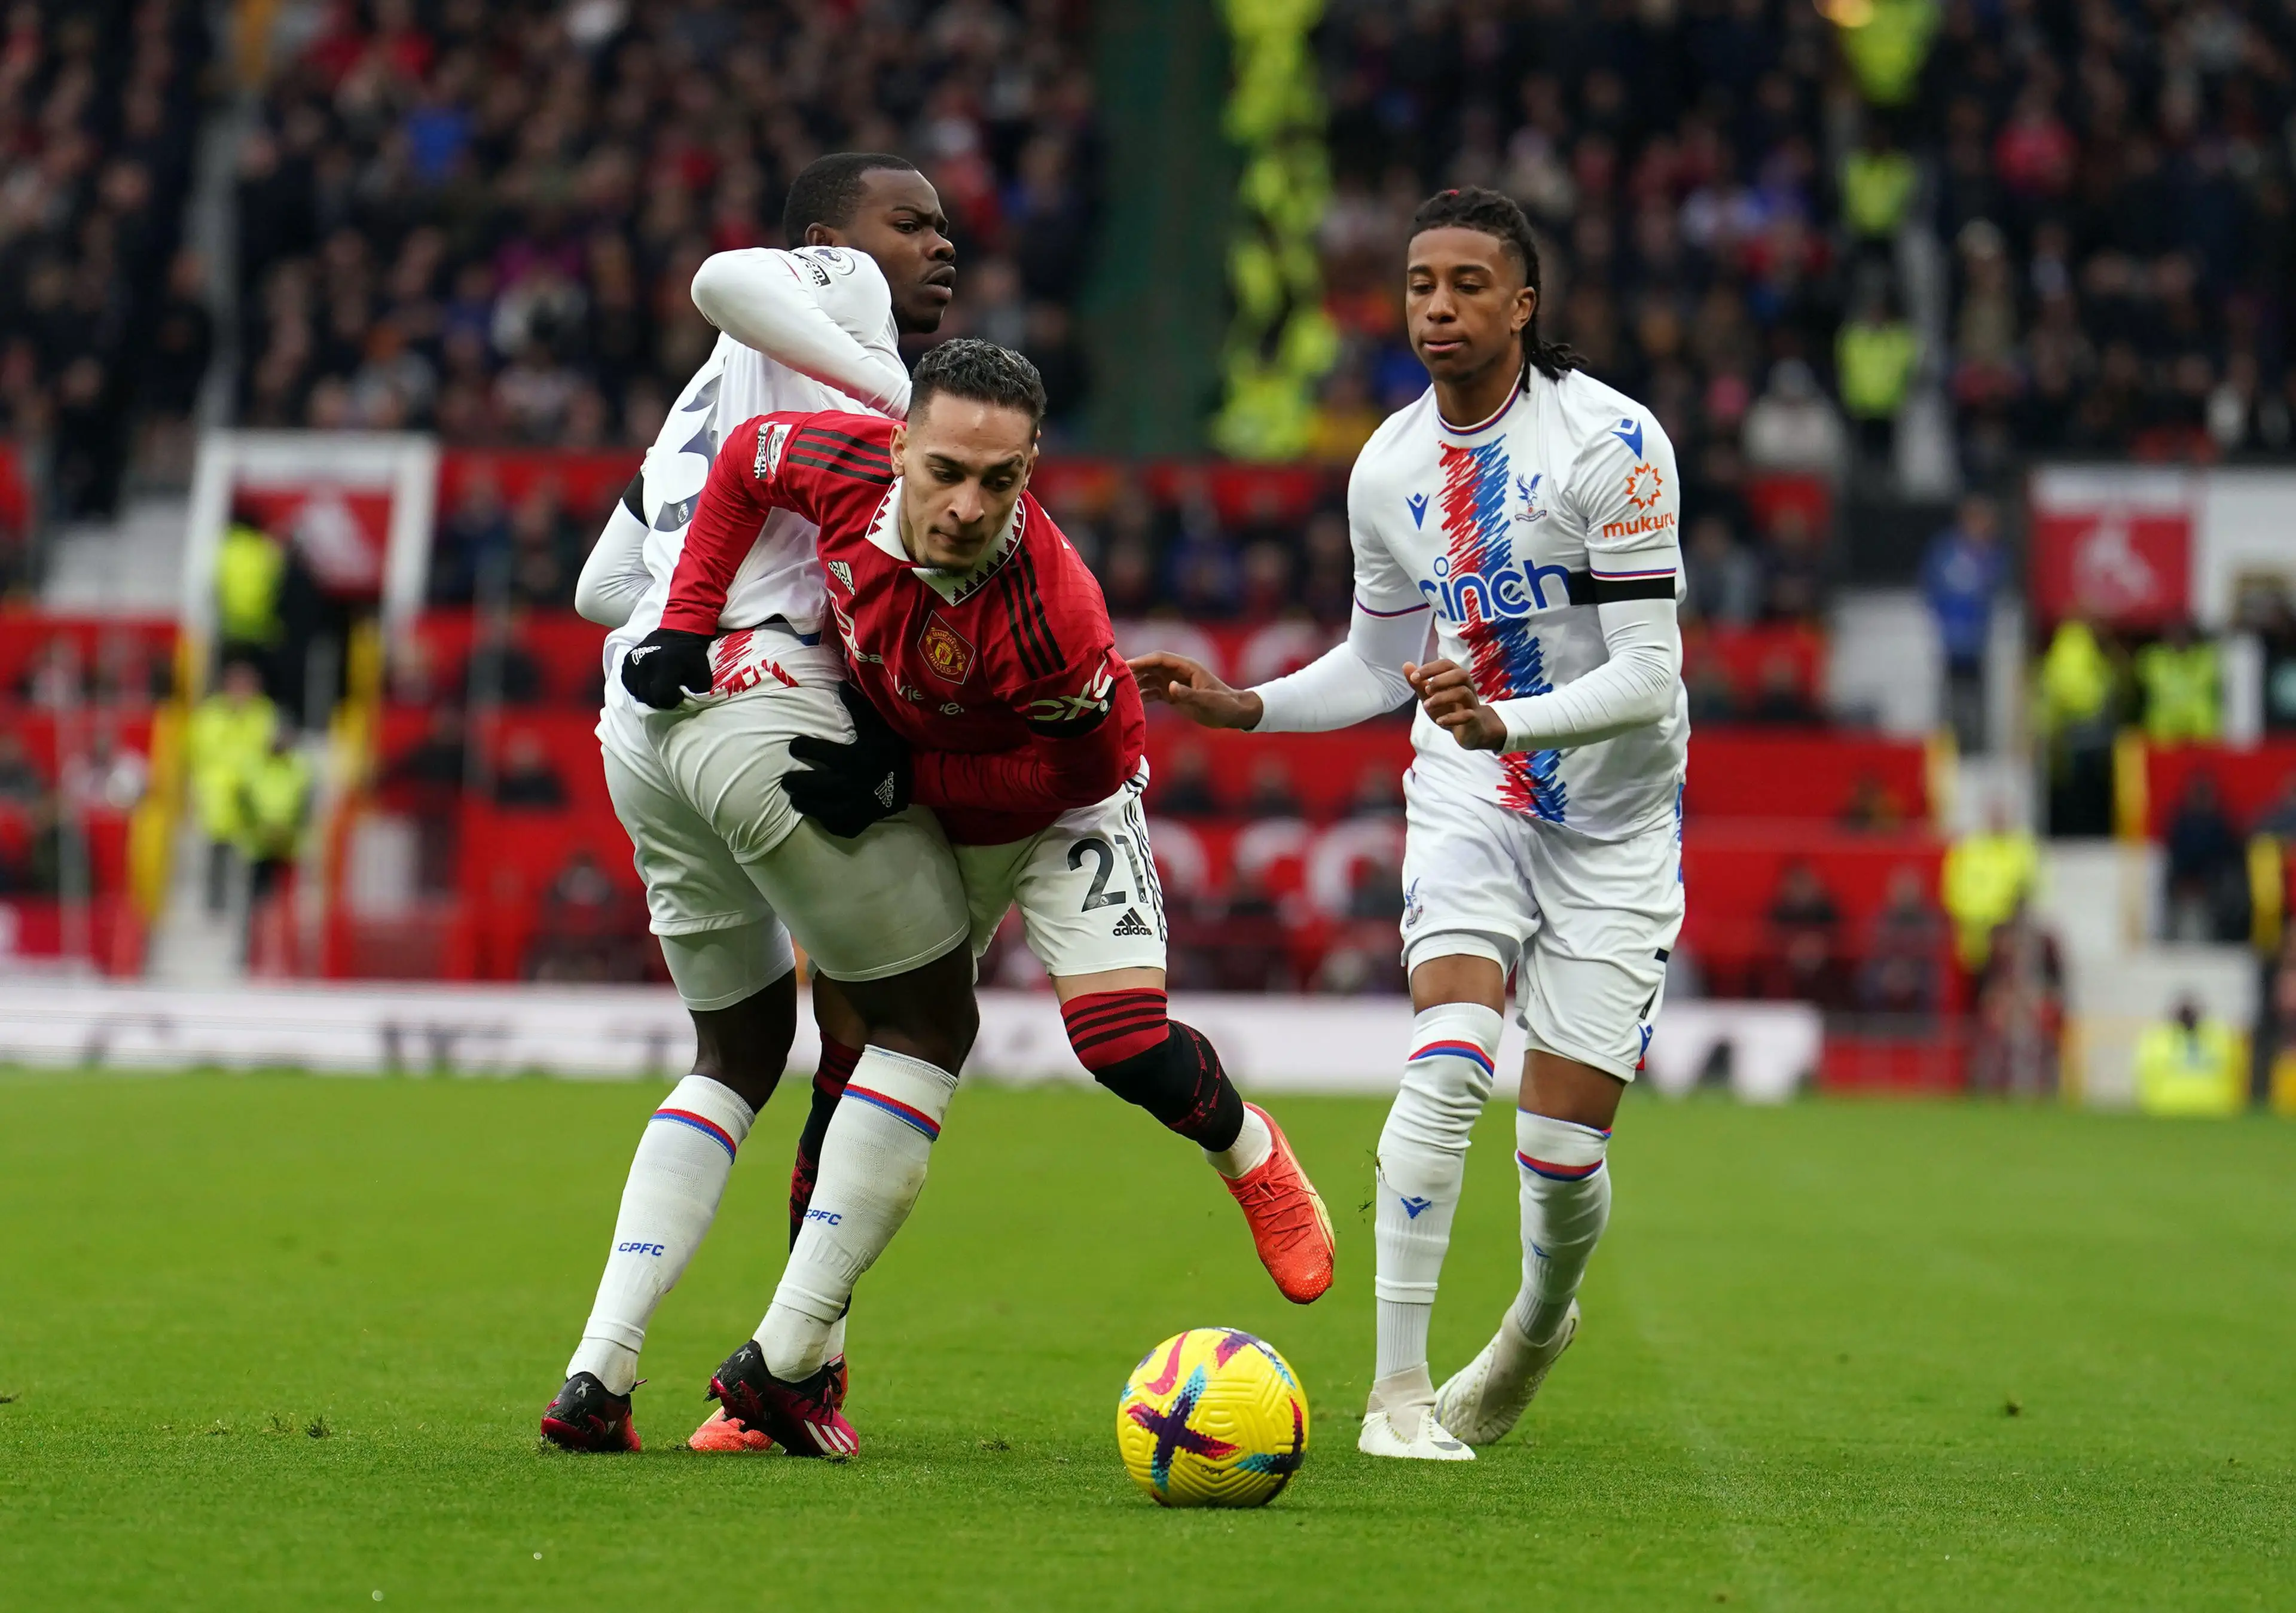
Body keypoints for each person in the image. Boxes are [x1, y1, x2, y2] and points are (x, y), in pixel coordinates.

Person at [630, 339, 1336, 1457]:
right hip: (924, 797)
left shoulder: (1059, 619)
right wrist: (685, 616)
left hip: (1054, 807)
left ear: (1032, 468)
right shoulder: (839, 460)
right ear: (900, 441)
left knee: (1120, 1042)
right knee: (856, 1061)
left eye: (997, 481)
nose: (965, 505)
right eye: (945, 470)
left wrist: (905, 775)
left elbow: (1077, 773)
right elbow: (743, 470)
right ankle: (799, 1375)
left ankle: (1248, 1148)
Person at [1132, 186, 1687, 1461]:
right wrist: (1250, 704)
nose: (1438, 305)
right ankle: (1394, 1397)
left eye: (1468, 284)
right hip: (1471, 793)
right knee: (1448, 1052)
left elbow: (1651, 672)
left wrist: (1509, 721)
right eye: (1422, 283)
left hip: (1612, 817)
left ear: (1524, 304)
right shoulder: (1388, 467)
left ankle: (1540, 1323)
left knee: (1556, 1157)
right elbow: (1383, 664)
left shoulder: (1613, 443)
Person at [541, 154, 981, 1458]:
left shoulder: (703, 395)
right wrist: (909, 411)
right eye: (910, 223)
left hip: (642, 718)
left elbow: (599, 585)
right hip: (755, 699)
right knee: (925, 1017)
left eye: (947, 228)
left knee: (735, 1047)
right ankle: (787, 1364)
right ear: (830, 238)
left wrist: (699, 618)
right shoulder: (830, 296)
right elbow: (719, 273)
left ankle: (599, 1371)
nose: (937, 246)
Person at [1920, 496, 2002, 754]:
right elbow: (1930, 585)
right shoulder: (1945, 551)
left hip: (1978, 639)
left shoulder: (1990, 554)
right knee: (1951, 696)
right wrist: (1941, 620)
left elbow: (1997, 586)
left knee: (1977, 698)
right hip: (1951, 637)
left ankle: (1977, 745)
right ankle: (1948, 744)